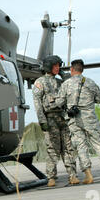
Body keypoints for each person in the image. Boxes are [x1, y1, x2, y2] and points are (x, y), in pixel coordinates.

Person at [54, 59, 100, 184]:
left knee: (81, 146)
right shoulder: (90, 83)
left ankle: (88, 175)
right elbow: (99, 99)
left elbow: (58, 102)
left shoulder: (66, 84)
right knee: (99, 143)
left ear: (72, 70)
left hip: (74, 120)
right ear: (82, 70)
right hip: (90, 118)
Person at [32, 55, 79, 187]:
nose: (58, 68)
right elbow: (37, 103)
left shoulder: (60, 82)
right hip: (50, 118)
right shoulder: (39, 82)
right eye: (56, 65)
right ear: (49, 67)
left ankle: (73, 175)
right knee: (53, 148)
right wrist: (42, 121)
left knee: (68, 147)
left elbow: (72, 87)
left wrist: (65, 76)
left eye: (59, 65)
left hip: (63, 118)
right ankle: (51, 177)